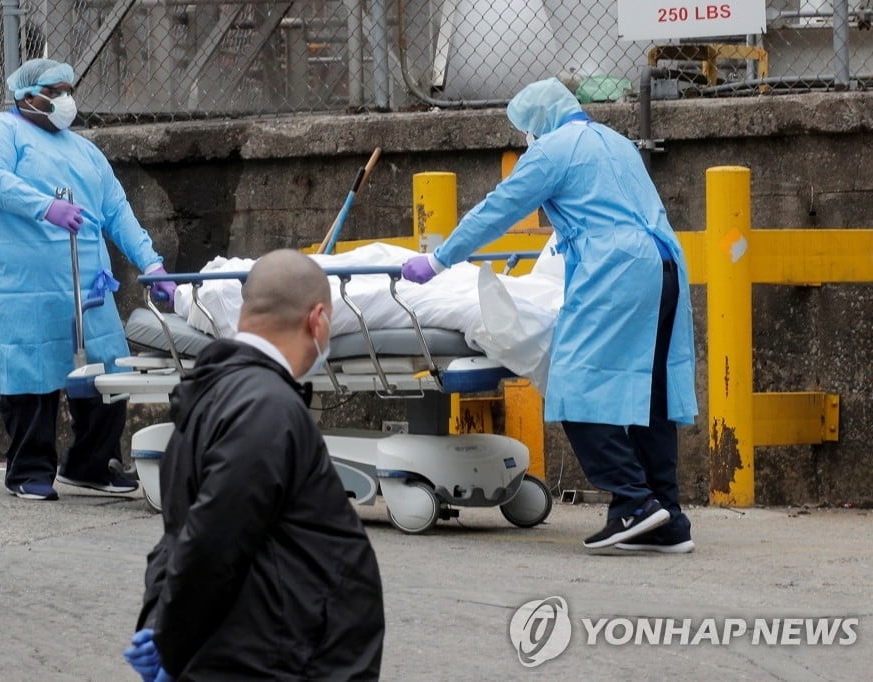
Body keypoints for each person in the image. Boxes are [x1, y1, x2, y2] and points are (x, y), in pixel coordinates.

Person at [401, 77, 698, 553]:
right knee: (651, 392)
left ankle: (634, 503)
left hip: (614, 269)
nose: (526, 139)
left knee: (572, 384)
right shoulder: (616, 142)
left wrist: (439, 259)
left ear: (537, 124)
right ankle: (667, 517)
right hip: (664, 265)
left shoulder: (553, 150)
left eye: (525, 130)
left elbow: (499, 208)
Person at [124, 249, 384, 680]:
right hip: (276, 659)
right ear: (317, 320)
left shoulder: (211, 396)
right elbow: (210, 538)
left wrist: (160, 623)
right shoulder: (266, 408)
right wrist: (169, 641)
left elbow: (180, 535)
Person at [0, 58, 177, 501]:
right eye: (54, 92)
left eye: (68, 90)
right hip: (17, 286)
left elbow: (116, 211)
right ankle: (29, 469)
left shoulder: (85, 152)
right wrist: (44, 206)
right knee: (29, 376)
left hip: (86, 288)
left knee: (108, 372)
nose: (65, 100)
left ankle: (91, 465)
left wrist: (151, 264)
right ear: (25, 95)